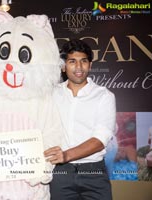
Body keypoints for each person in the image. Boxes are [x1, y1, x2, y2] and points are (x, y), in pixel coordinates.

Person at [44, 39, 116, 200]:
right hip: (59, 173)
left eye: (84, 61)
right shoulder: (50, 93)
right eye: (72, 61)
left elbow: (100, 140)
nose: (78, 67)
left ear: (90, 65)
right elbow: (22, 98)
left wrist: (66, 155)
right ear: (63, 66)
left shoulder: (104, 96)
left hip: (94, 173)